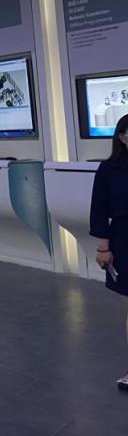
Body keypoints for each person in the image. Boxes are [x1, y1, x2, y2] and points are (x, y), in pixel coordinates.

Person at [90, 113, 128, 389]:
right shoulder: (109, 169)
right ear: (121, 137)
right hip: (124, 238)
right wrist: (103, 246)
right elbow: (99, 209)